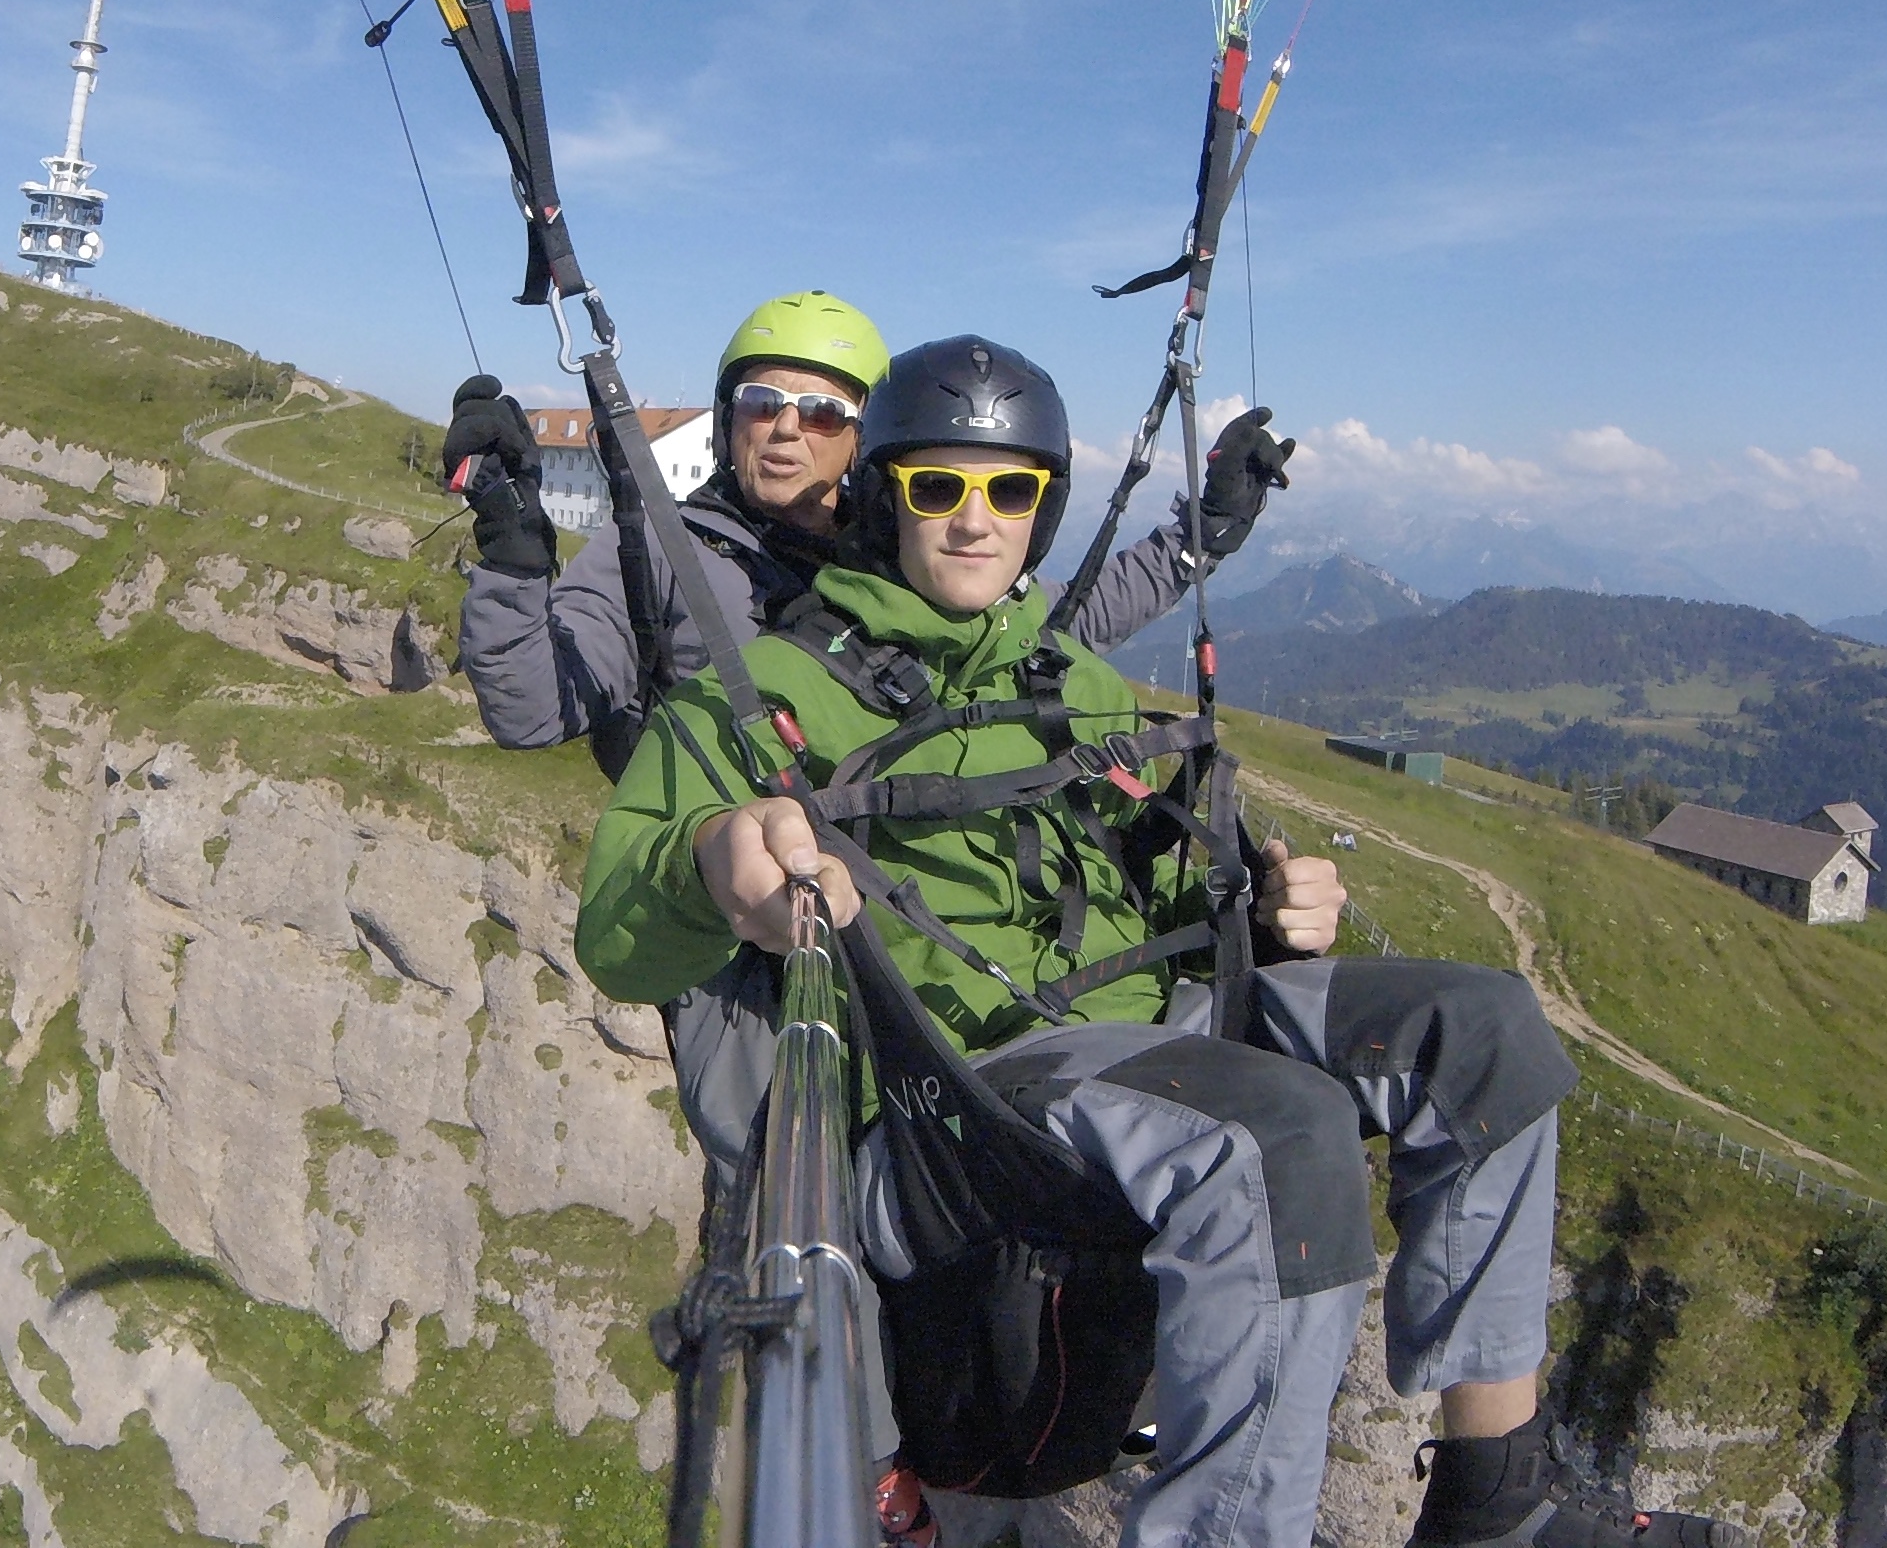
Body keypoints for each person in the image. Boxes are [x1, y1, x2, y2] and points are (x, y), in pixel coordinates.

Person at [578, 337, 1742, 1548]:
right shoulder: (765, 689)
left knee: (1486, 1028)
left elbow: (1161, 869)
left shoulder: (1066, 680)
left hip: (1147, 1023)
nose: (976, 522)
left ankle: (1495, 1497)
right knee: (1273, 1138)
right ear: (884, 496)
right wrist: (716, 863)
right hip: (972, 1088)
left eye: (1009, 491)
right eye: (939, 487)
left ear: (1043, 509)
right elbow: (616, 930)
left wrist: (1277, 916)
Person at [443, 290, 1292, 770]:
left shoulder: (901, 541)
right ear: (727, 419)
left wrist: (1202, 535)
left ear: (864, 440)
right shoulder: (663, 552)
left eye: (822, 411)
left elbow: (1058, 620)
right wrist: (517, 558)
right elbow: (533, 709)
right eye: (761, 403)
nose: (784, 429)